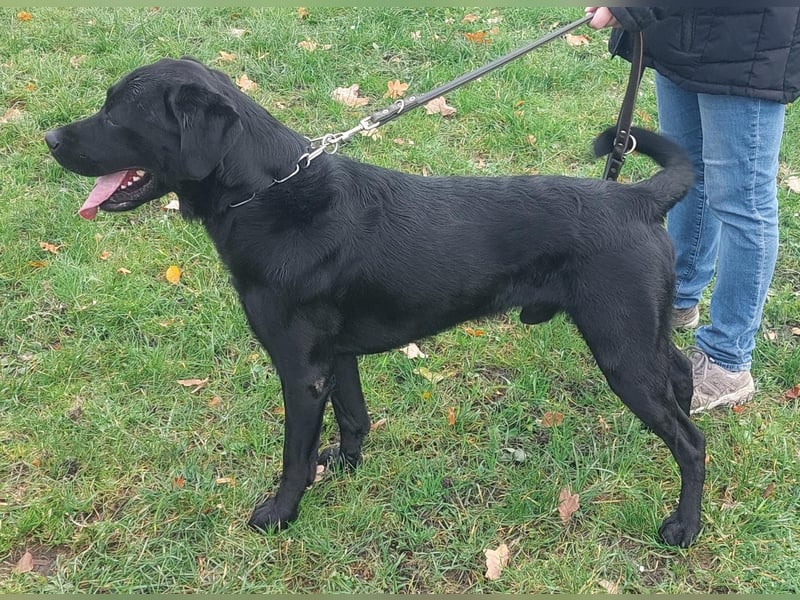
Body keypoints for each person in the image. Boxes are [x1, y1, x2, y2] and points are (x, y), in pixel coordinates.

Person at [586, 7, 800, 413]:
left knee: (742, 203)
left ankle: (728, 360)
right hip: (680, 27)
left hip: (747, 36)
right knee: (689, 172)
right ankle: (678, 296)